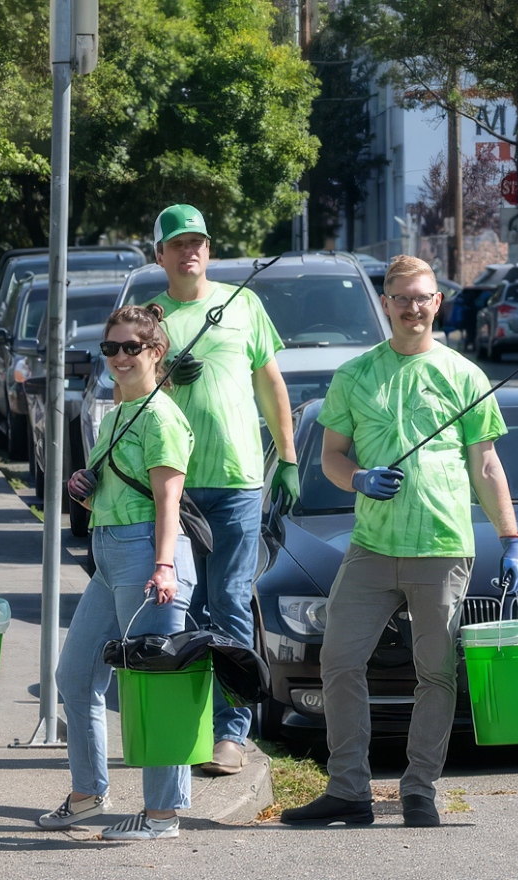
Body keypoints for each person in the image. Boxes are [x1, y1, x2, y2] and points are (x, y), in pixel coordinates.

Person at [280, 255, 518, 829]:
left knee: (434, 672)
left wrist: (511, 537)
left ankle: (420, 791)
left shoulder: (464, 375)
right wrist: (357, 478)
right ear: (385, 305)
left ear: (438, 302)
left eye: (422, 297)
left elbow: (486, 465)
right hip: (370, 546)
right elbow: (332, 458)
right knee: (338, 661)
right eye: (401, 298)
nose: (412, 307)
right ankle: (349, 791)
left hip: (442, 545)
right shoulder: (355, 375)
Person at [145, 204, 297, 776]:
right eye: (179, 242)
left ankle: (232, 734)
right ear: (159, 253)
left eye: (200, 242)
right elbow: (125, 392)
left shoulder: (242, 305)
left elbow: (270, 383)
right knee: (183, 605)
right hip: (172, 485)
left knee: (230, 601)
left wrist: (286, 458)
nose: (191, 251)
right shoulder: (151, 316)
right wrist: (160, 374)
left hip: (236, 479)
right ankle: (190, 723)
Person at [41, 304, 198, 841]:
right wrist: (88, 485)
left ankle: (162, 815)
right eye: (110, 348)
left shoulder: (161, 416)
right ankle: (88, 795)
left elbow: (167, 499)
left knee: (156, 685)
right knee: (76, 676)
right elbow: (119, 485)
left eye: (131, 347)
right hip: (110, 556)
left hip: (150, 557)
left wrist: (163, 565)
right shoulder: (113, 415)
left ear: (156, 352)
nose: (119, 357)